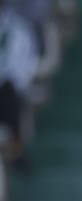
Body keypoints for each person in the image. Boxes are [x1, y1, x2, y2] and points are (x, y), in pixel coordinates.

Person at [0, 0, 38, 168]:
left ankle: (16, 150)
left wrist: (17, 83)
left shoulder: (18, 28)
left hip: (10, 88)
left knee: (8, 93)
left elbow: (29, 60)